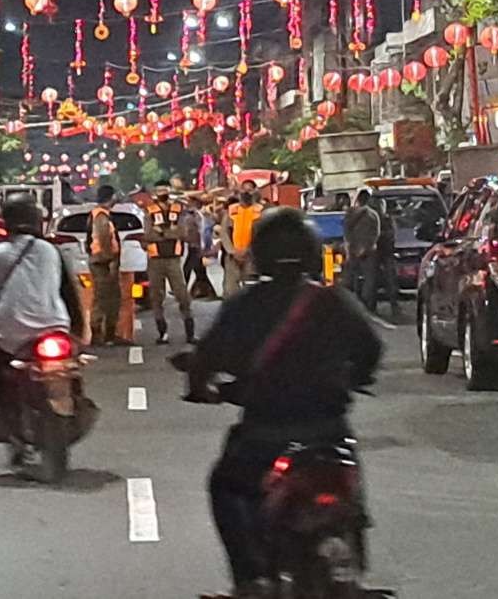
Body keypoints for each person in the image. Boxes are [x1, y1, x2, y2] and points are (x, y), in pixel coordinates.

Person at [188, 208, 382, 597]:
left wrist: (202, 385)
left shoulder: (245, 305)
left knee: (225, 486)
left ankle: (251, 578)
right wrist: (355, 377)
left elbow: (207, 358)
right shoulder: (333, 301)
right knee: (349, 478)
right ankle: (353, 566)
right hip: (328, 428)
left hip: (264, 432)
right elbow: (370, 349)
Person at [0, 199, 84, 442]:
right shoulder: (51, 251)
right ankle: (77, 402)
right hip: (56, 327)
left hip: (12, 335)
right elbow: (69, 292)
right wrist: (79, 331)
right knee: (72, 364)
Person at [141, 180, 195, 345]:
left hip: (173, 259)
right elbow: (147, 235)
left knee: (183, 296)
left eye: (164, 189)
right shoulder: (149, 211)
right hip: (155, 259)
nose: (161, 192)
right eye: (158, 190)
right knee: (156, 297)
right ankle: (162, 332)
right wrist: (168, 233)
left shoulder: (178, 210)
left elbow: (182, 232)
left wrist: (162, 233)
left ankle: (190, 333)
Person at [87, 185, 124, 347]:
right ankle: (101, 335)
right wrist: (110, 260)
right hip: (103, 262)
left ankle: (108, 334)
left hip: (101, 261)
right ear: (111, 197)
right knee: (104, 298)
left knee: (108, 297)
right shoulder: (101, 216)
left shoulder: (100, 215)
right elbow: (104, 239)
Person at [342, 190, 381, 312]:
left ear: (358, 200)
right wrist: (366, 247)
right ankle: (366, 303)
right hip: (368, 250)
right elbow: (376, 233)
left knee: (352, 276)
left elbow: (346, 232)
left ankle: (352, 302)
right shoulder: (373, 215)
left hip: (353, 249)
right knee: (369, 278)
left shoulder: (350, 214)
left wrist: (349, 248)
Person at [222, 185, 261, 295]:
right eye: (244, 189)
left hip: (251, 256)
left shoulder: (260, 211)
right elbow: (224, 232)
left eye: (250, 189)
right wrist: (232, 251)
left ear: (255, 191)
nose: (246, 192)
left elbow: (261, 234)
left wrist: (248, 250)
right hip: (232, 256)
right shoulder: (231, 210)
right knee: (231, 289)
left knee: (251, 290)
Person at [183, 195, 218, 300]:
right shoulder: (193, 215)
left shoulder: (198, 216)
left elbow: (202, 232)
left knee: (188, 268)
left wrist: (203, 247)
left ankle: (182, 290)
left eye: (190, 202)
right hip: (192, 245)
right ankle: (209, 292)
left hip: (196, 246)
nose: (187, 204)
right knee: (200, 271)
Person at [373, 197, 402, 321]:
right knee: (375, 280)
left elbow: (392, 235)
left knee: (388, 280)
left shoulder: (384, 220)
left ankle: (393, 305)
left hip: (383, 253)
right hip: (377, 253)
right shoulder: (375, 219)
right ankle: (374, 305)